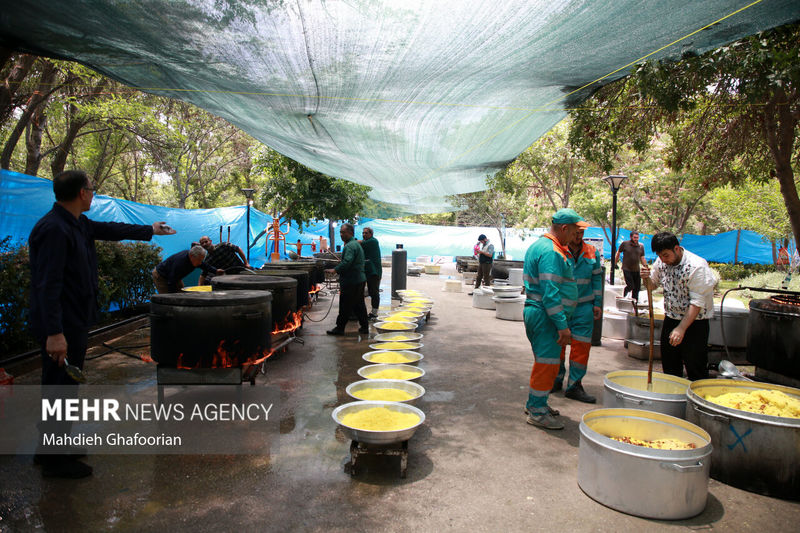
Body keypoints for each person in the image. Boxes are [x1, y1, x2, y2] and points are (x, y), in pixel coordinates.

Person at [28, 169, 176, 478]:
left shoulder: (76, 223)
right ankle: (54, 461)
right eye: (92, 190)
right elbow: (47, 285)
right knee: (59, 388)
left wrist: (150, 229)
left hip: (74, 320)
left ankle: (50, 448)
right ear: (82, 193)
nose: (94, 194)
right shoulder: (54, 229)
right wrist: (54, 333)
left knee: (63, 386)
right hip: (62, 324)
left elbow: (110, 229)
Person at [522, 208, 582, 430]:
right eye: (575, 231)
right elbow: (551, 293)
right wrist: (562, 326)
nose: (576, 236)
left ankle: (537, 404)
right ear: (564, 228)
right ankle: (537, 412)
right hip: (545, 316)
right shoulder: (551, 252)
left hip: (538, 313)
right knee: (547, 364)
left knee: (545, 363)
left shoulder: (543, 246)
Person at [641, 232, 716, 381]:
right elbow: (652, 286)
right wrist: (645, 278)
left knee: (695, 367)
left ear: (676, 248)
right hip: (671, 318)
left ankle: (696, 401)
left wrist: (681, 328)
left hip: (695, 323)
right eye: (660, 256)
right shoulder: (661, 262)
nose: (663, 259)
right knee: (670, 365)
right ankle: (672, 399)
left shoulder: (697, 266)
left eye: (666, 255)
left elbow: (697, 303)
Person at [552, 221, 602, 403]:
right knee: (558, 345)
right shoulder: (558, 251)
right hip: (563, 308)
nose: (579, 235)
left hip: (584, 308)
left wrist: (598, 303)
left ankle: (574, 385)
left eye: (582, 232)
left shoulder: (591, 252)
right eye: (576, 232)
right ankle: (555, 379)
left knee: (581, 347)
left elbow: (597, 279)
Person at [325, 223, 369, 335]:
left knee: (345, 305)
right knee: (359, 305)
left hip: (352, 280)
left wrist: (335, 270)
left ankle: (340, 328)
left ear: (350, 233)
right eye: (340, 232)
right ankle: (364, 327)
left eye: (343, 232)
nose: (341, 234)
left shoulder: (350, 246)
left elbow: (347, 262)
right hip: (359, 279)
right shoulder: (355, 244)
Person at [152, 245, 223, 293]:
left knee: (182, 292)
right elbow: (171, 281)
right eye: (199, 260)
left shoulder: (195, 259)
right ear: (192, 256)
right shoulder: (180, 263)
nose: (200, 262)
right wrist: (172, 297)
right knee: (166, 297)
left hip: (174, 276)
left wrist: (215, 271)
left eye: (201, 260)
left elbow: (204, 265)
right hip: (161, 276)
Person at [615, 230, 648, 302]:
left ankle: (634, 302)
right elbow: (618, 253)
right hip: (627, 268)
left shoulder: (641, 246)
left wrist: (646, 266)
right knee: (630, 286)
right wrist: (615, 263)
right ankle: (625, 296)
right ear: (631, 237)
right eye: (634, 237)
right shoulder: (625, 244)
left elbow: (642, 257)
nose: (636, 239)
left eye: (637, 238)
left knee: (637, 288)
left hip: (636, 269)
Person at [359, 227, 383, 319]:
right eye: (363, 233)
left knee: (374, 292)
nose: (364, 234)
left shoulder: (373, 241)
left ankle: (374, 313)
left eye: (366, 233)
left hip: (374, 272)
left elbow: (360, 243)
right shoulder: (367, 242)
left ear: (371, 234)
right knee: (369, 291)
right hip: (368, 271)